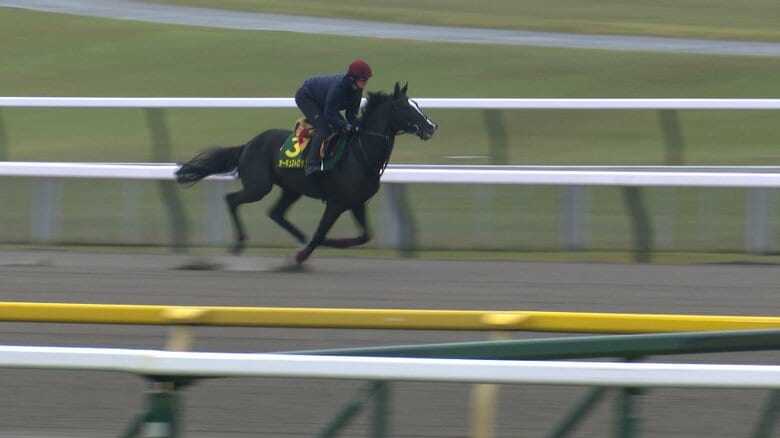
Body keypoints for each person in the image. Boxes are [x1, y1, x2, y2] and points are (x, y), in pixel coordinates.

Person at [294, 59, 372, 176]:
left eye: (367, 78)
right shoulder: (338, 88)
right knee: (323, 129)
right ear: (352, 77)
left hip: (323, 99)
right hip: (307, 96)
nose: (365, 82)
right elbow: (329, 116)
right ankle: (311, 164)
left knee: (343, 128)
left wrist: (358, 126)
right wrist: (346, 126)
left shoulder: (357, 90)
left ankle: (333, 160)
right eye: (362, 78)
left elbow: (351, 114)